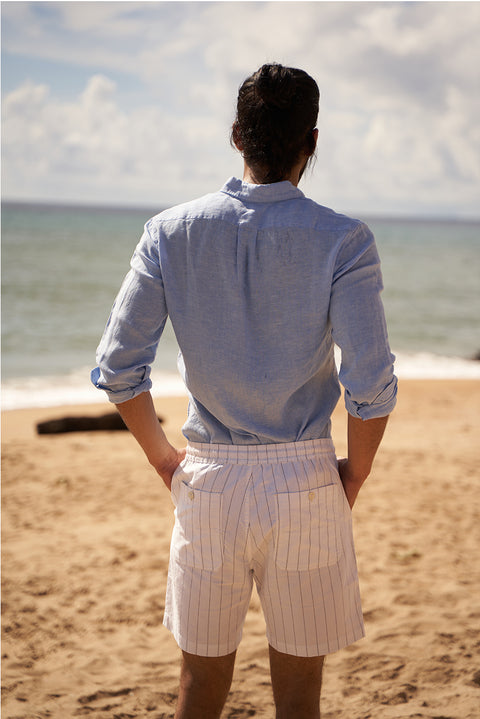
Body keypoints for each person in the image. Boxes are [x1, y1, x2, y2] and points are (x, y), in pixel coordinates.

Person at [91, 63, 397, 719]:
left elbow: (118, 367)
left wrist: (164, 458)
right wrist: (357, 473)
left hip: (209, 482)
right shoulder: (344, 240)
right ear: (310, 141)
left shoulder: (169, 233)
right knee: (299, 700)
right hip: (307, 480)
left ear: (237, 136)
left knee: (199, 693)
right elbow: (369, 383)